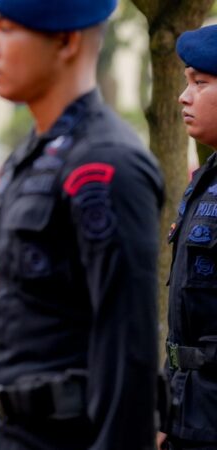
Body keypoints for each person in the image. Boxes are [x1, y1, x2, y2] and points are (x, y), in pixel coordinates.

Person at [0, 0, 164, 448]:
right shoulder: (34, 153)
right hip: (17, 431)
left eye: (6, 30)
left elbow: (129, 354)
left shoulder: (106, 163)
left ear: (65, 41)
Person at [161, 24, 217, 450]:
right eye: (185, 83)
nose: (184, 96)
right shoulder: (205, 179)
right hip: (188, 410)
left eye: (201, 82)